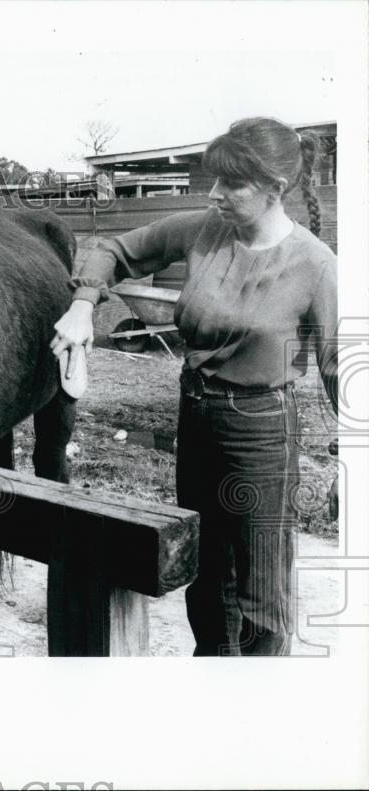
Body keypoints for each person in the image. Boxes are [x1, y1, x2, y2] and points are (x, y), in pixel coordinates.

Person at [51, 117, 338, 656]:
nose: (215, 194)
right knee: (206, 572)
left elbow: (338, 368)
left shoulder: (317, 266)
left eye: (232, 184)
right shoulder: (202, 229)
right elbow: (112, 249)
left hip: (261, 429)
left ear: (275, 189)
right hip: (198, 416)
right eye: (215, 180)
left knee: (261, 583)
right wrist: (84, 305)